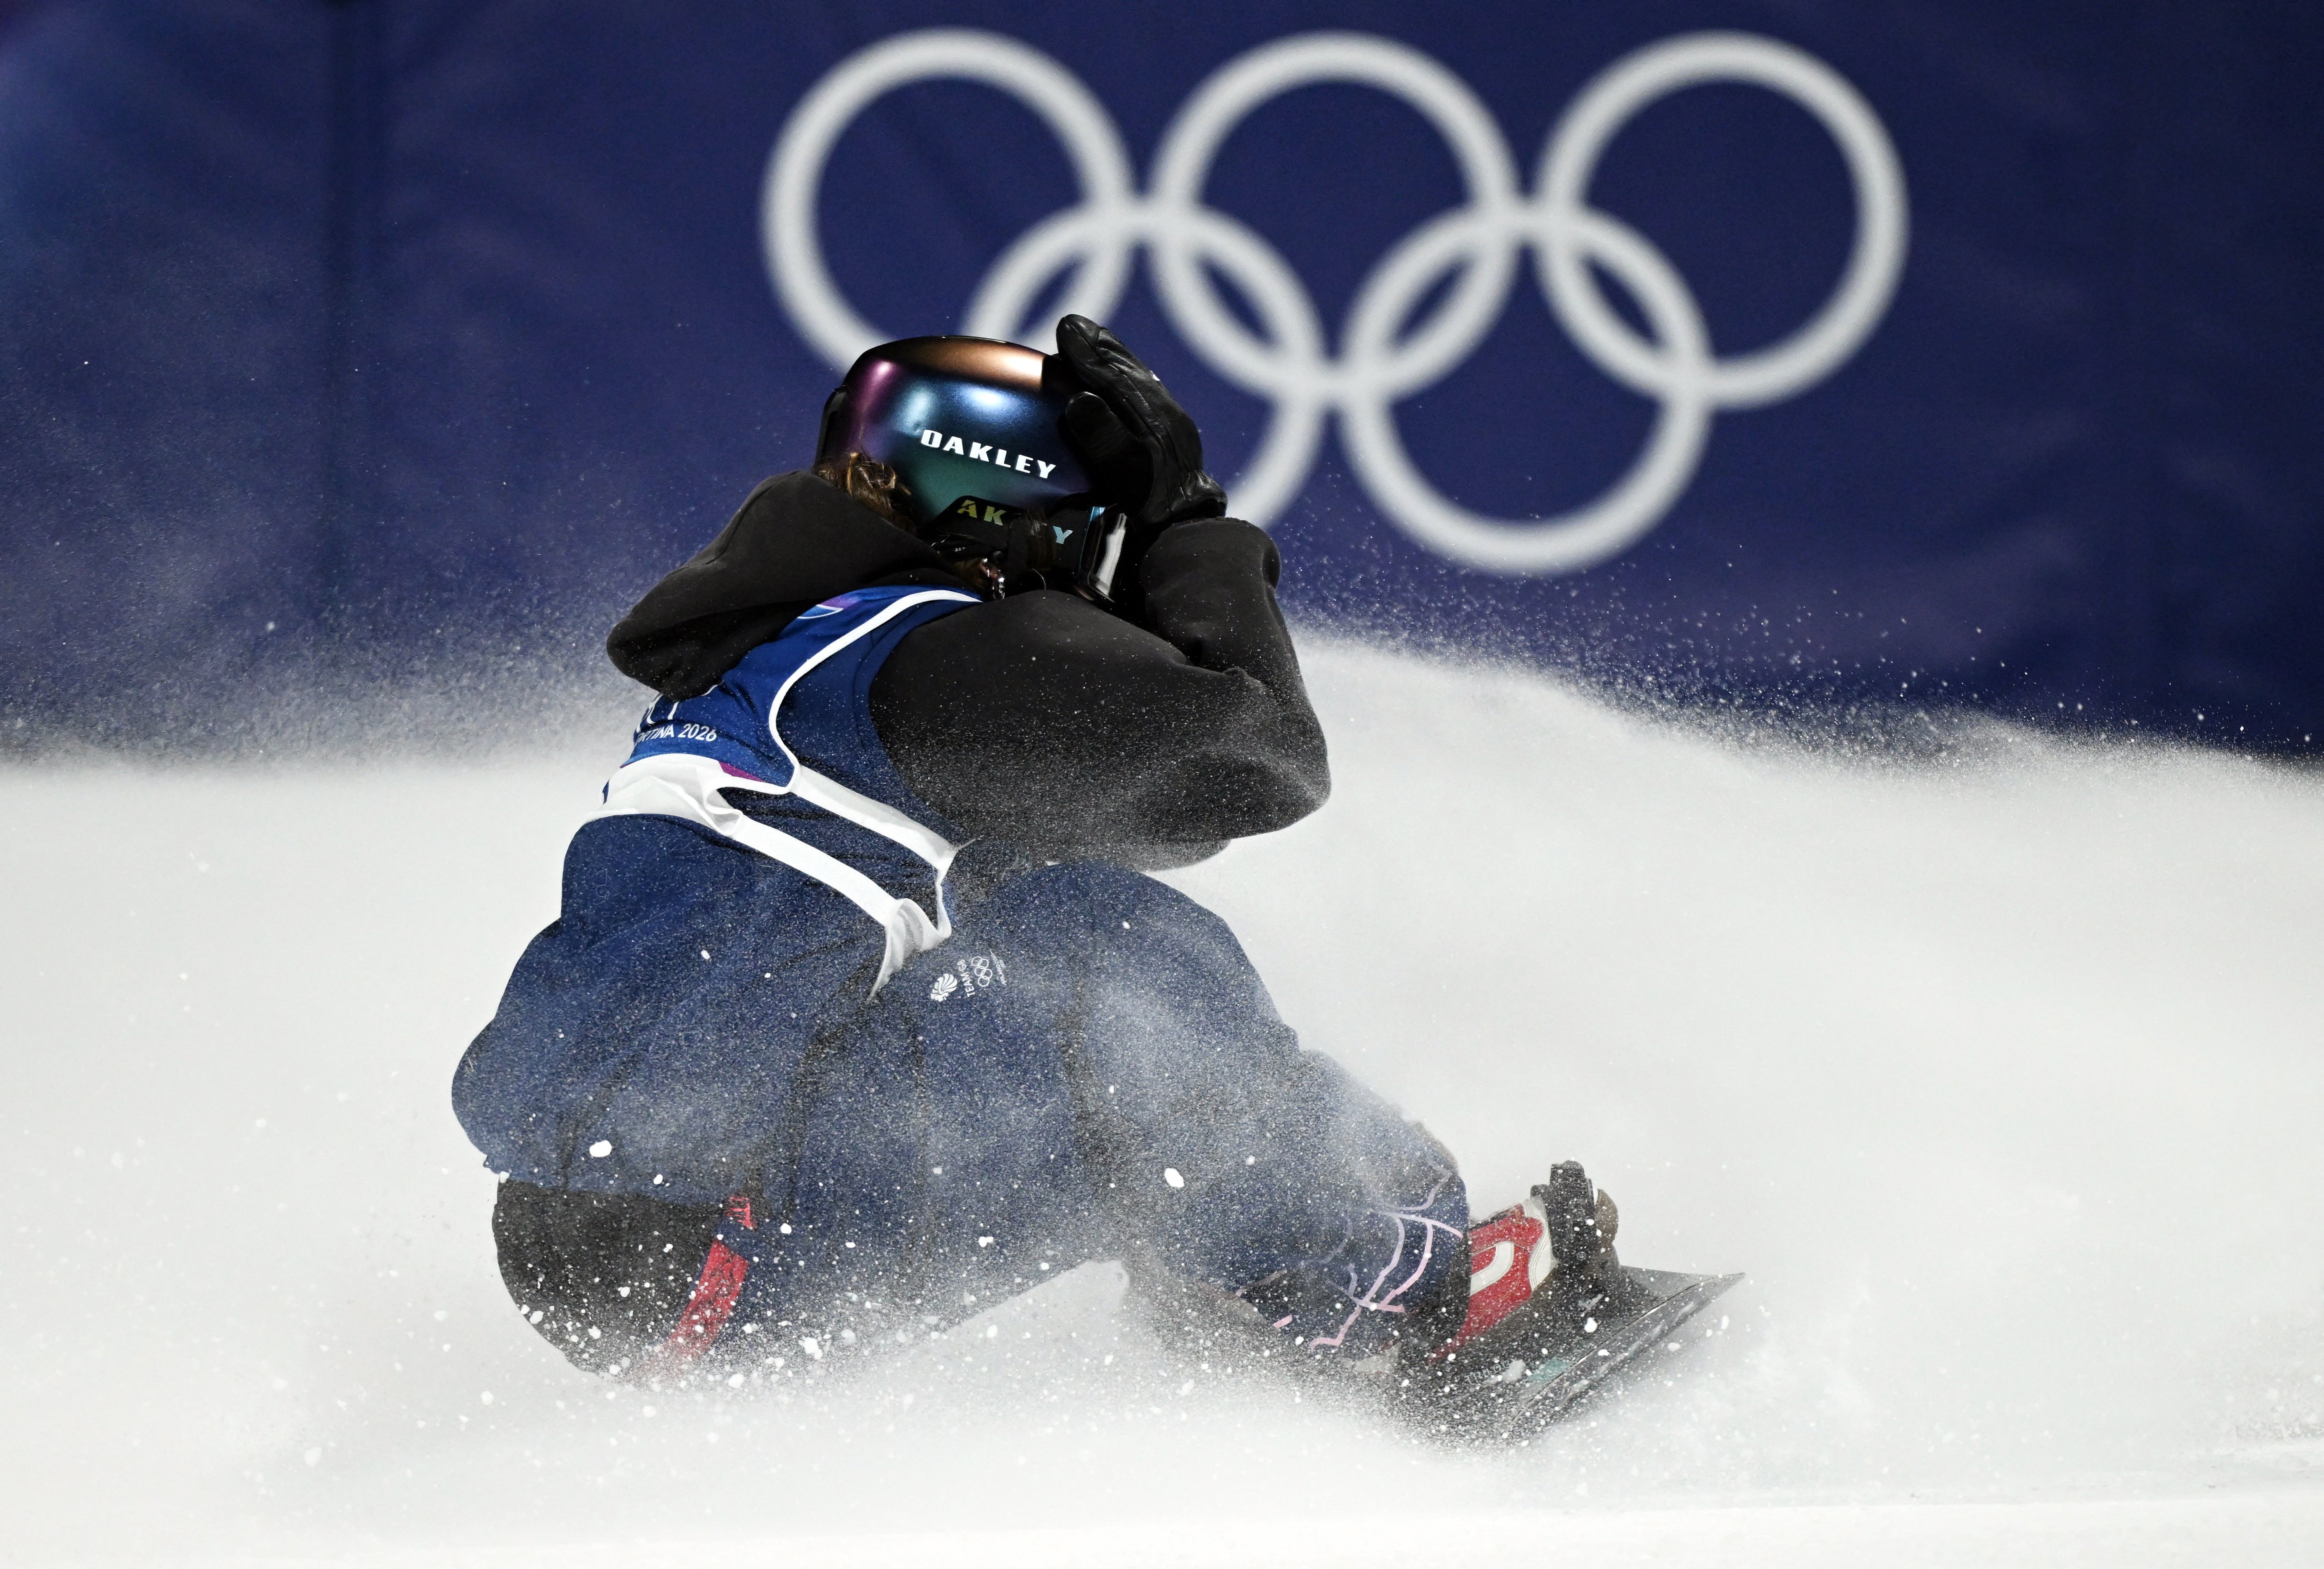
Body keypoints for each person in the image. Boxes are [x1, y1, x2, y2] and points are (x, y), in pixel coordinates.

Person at [450, 317, 1651, 1421]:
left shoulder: (794, 657)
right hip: (719, 1244)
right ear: (1000, 515)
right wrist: (1190, 526)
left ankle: (1252, 1283)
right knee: (1106, 952)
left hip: (622, 1255)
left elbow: (1161, 811)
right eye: (1082, 534)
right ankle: (1415, 1300)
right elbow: (1261, 765)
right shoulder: (929, 654)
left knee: (1043, 934)